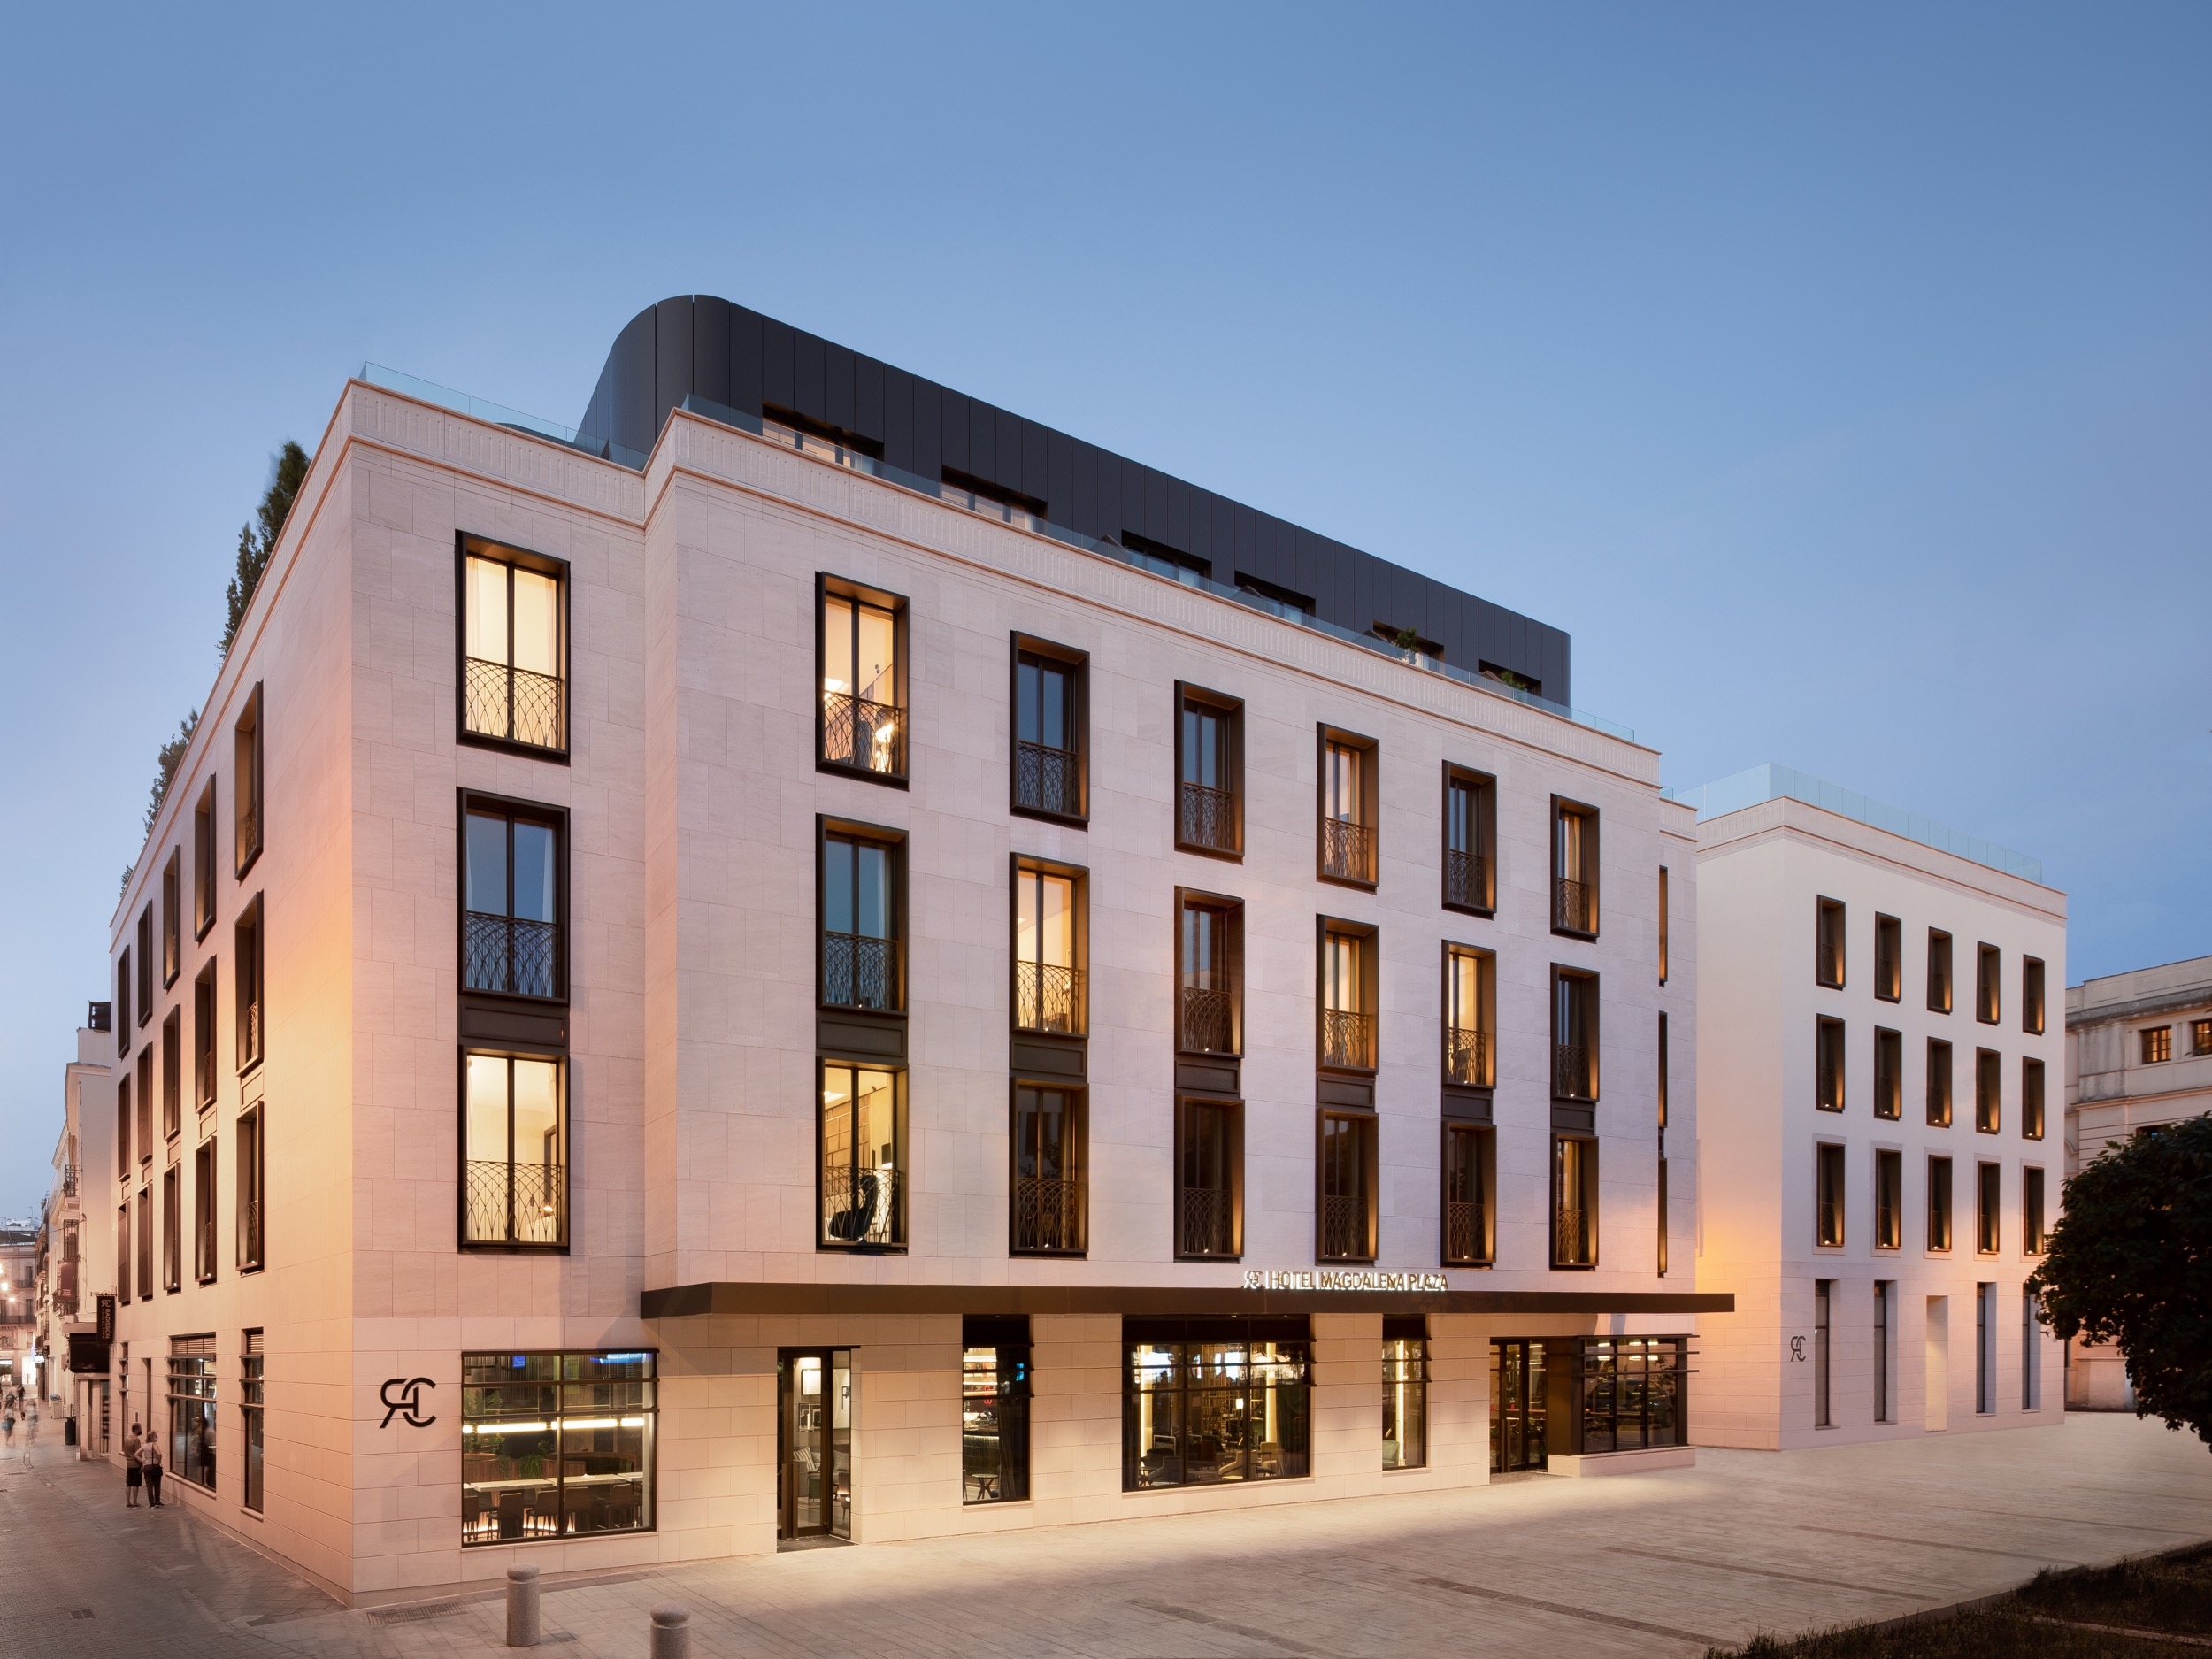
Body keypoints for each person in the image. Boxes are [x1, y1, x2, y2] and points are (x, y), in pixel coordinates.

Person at [141, 1429, 165, 1508]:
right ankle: (157, 1501)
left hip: (147, 1467)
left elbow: (136, 1454)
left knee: (149, 1486)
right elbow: (159, 1454)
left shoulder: (144, 1445)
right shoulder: (154, 1445)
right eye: (155, 1436)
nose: (156, 1437)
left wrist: (143, 1461)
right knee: (157, 1485)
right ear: (152, 1437)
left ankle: (151, 1504)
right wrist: (159, 1461)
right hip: (154, 1466)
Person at [124, 1421, 143, 1508]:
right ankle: (135, 1502)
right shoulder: (136, 1439)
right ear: (136, 1430)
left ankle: (128, 1502)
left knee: (128, 1484)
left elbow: (125, 1452)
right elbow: (138, 1453)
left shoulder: (127, 1438)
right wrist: (142, 1464)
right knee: (135, 1484)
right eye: (140, 1429)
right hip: (136, 1464)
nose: (141, 1430)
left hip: (129, 1464)